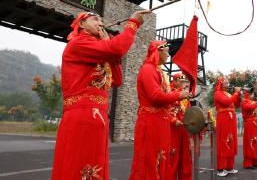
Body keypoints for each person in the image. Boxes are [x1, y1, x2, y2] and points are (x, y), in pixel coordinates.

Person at [51, 10, 149, 180]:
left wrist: (109, 50)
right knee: (79, 166)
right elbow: (117, 48)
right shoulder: (78, 44)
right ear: (81, 24)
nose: (101, 23)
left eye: (101, 20)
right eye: (95, 19)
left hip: (98, 116)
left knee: (95, 165)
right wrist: (132, 24)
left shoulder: (98, 51)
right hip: (82, 114)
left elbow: (117, 80)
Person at [129, 41, 191, 180]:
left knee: (160, 158)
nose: (168, 54)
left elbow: (165, 97)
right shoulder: (148, 69)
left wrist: (179, 97)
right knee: (148, 160)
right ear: (158, 51)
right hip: (150, 120)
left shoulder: (159, 71)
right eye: (167, 51)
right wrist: (179, 95)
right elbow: (155, 96)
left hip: (160, 121)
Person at [214, 76, 241, 177]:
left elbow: (237, 105)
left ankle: (229, 167)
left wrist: (239, 96)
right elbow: (226, 102)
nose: (228, 84)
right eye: (225, 82)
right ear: (220, 83)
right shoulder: (217, 93)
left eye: (228, 82)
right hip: (223, 119)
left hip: (231, 119)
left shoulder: (229, 94)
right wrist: (236, 93)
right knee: (224, 142)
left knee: (231, 141)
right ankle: (221, 168)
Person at [168, 73, 192, 180]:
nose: (183, 84)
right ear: (175, 82)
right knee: (173, 157)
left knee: (185, 157)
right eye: (181, 81)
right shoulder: (171, 94)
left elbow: (190, 112)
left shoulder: (186, 97)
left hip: (184, 130)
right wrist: (174, 120)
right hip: (173, 130)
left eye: (184, 82)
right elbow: (166, 111)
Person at [241, 85, 257, 169]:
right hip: (249, 123)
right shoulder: (244, 101)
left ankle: (256, 161)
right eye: (251, 93)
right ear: (247, 94)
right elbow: (250, 108)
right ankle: (248, 163)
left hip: (255, 123)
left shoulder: (254, 102)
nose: (253, 95)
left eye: (253, 93)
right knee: (250, 142)